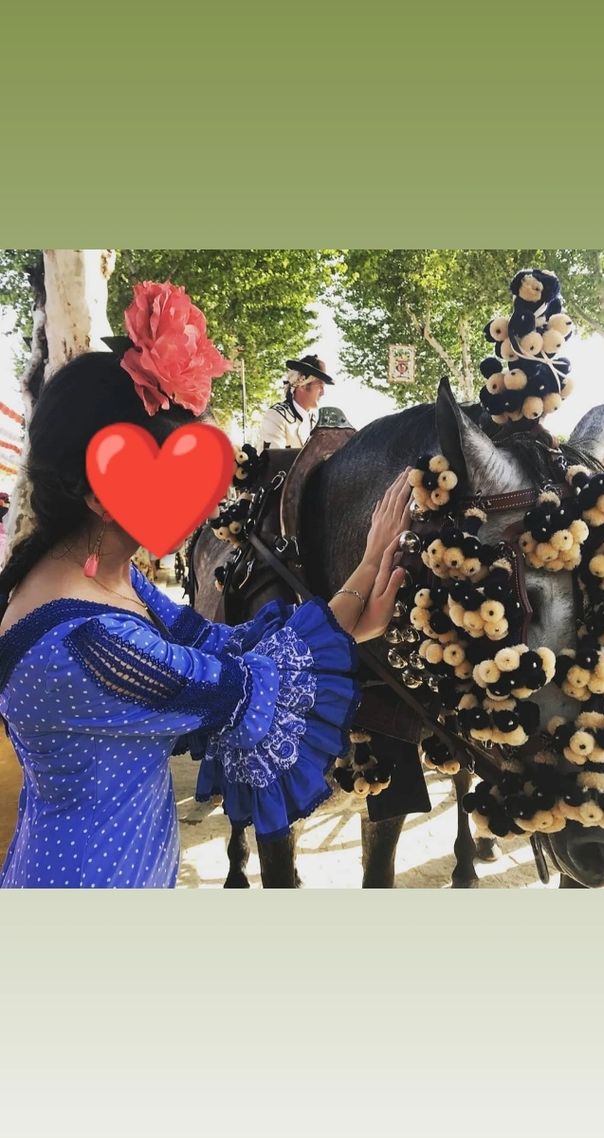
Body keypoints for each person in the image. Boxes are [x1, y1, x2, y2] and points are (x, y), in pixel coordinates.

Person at [0, 281, 410, 888]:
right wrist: (365, 569)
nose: (202, 504)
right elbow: (245, 695)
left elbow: (223, 644)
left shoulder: (104, 579)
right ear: (100, 492)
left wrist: (350, 613)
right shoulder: (91, 639)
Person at [260, 354, 333, 450]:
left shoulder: (318, 423)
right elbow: (273, 462)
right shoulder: (276, 416)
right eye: (320, 386)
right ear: (302, 385)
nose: (323, 393)